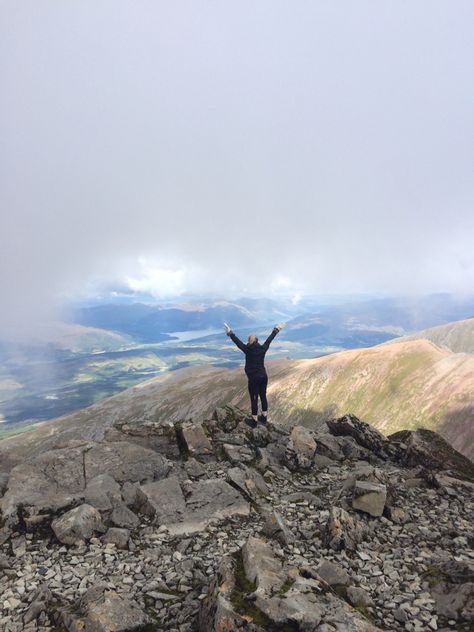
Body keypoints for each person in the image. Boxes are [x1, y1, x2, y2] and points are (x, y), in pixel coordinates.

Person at [224, 322, 284, 427]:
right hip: (263, 376)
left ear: (249, 341)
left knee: (254, 398)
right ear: (257, 341)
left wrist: (230, 333)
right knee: (263, 396)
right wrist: (276, 330)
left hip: (254, 378)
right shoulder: (262, 348)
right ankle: (264, 417)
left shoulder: (247, 349)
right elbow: (269, 340)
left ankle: (254, 421)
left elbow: (238, 343)